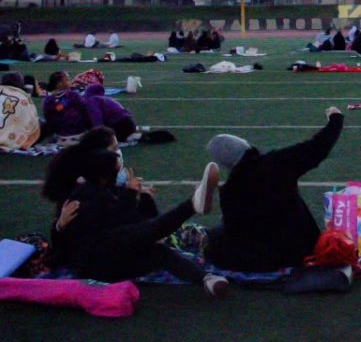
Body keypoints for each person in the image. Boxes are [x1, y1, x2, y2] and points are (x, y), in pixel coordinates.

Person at [55, 142, 227, 295]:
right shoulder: (82, 198)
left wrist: (144, 196)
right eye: (117, 170)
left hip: (114, 262)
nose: (122, 173)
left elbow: (144, 220)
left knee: (158, 251)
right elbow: (127, 222)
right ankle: (193, 205)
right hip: (94, 265)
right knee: (136, 233)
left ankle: (207, 280)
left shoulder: (109, 191)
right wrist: (59, 225)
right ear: (103, 177)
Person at [205, 108, 344, 272]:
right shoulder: (277, 162)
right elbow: (318, 147)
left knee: (214, 238)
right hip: (301, 250)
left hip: (260, 261)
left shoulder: (229, 191)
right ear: (246, 146)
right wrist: (336, 118)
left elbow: (236, 232)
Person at [42, 71, 90, 142]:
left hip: (58, 135)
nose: (70, 81)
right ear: (59, 84)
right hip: (77, 133)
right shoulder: (72, 95)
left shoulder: (47, 100)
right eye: (67, 80)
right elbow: (84, 109)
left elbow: (48, 118)